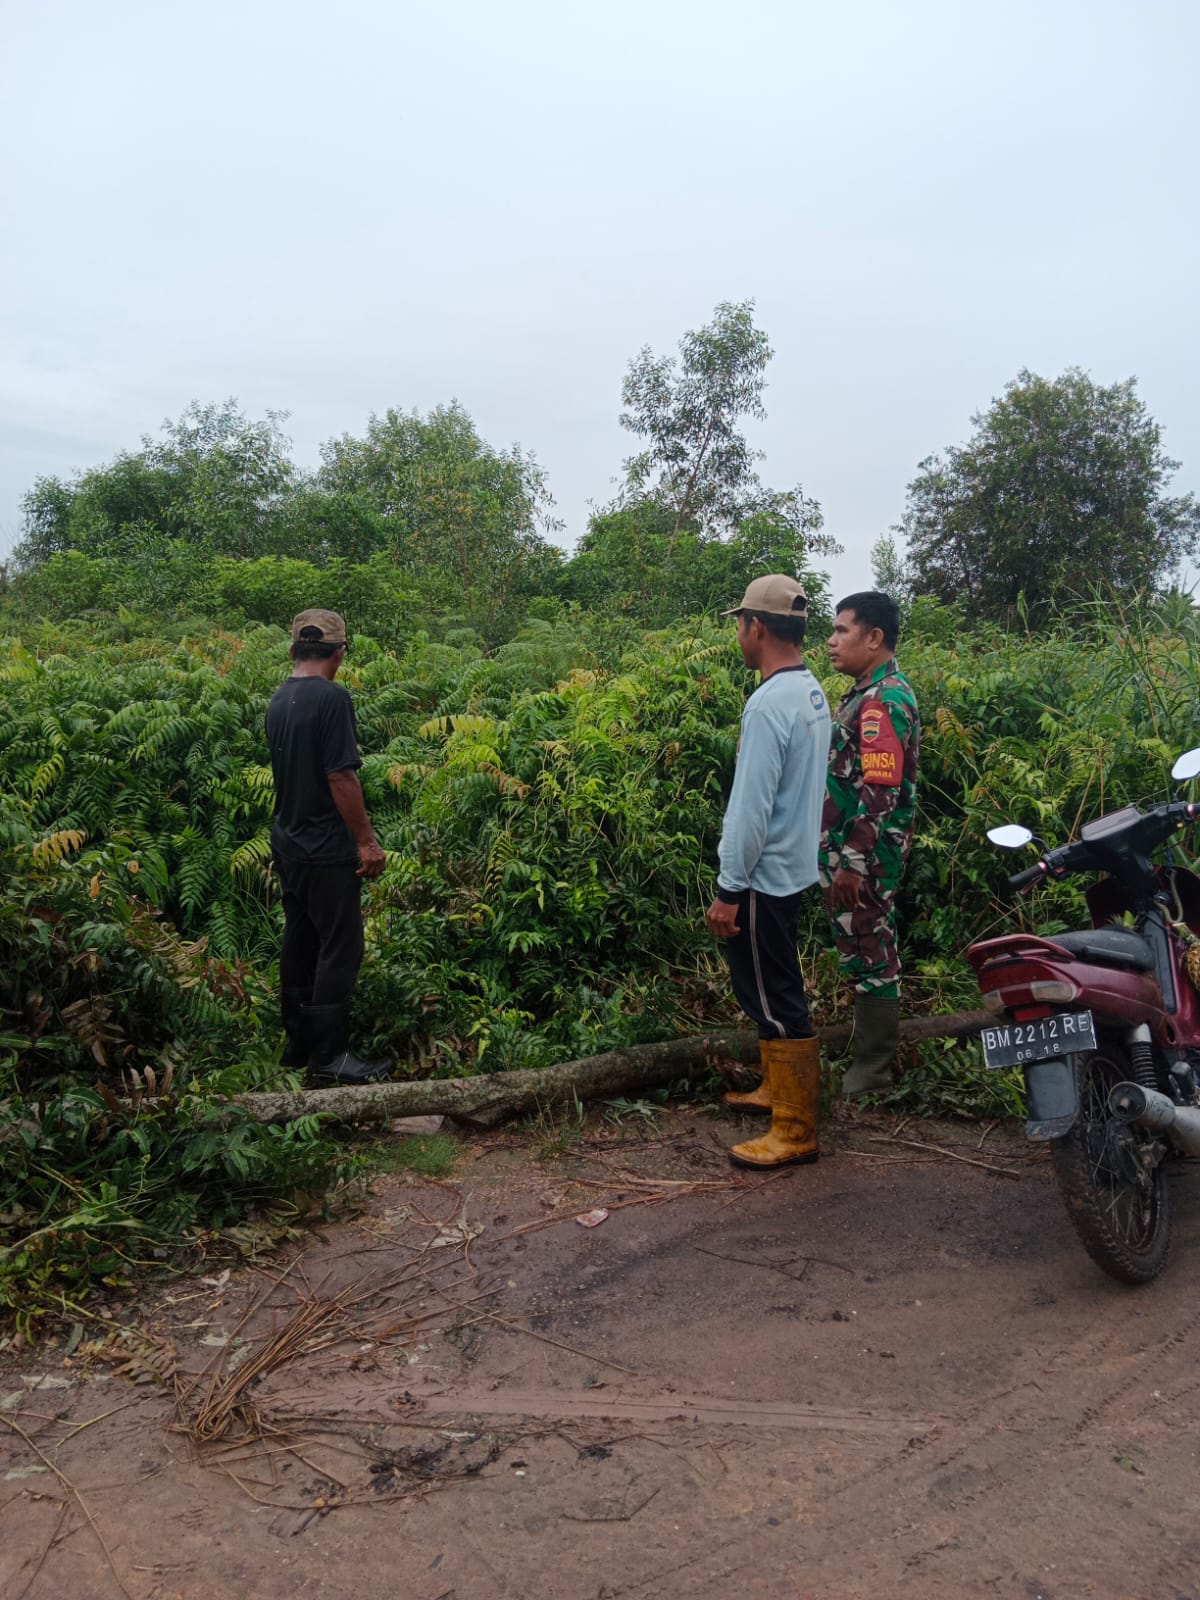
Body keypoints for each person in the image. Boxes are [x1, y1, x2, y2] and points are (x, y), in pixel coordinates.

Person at [705, 575, 832, 1169]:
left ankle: (796, 1129)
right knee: (770, 986)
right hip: (793, 867)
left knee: (775, 997)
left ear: (757, 627)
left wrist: (730, 888)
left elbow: (750, 810)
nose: (739, 633)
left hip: (762, 878)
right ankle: (777, 1090)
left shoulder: (766, 705)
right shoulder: (810, 691)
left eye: (740, 623)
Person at [265, 609, 391, 1086]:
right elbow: (340, 774)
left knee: (299, 939)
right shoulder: (333, 698)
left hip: (289, 842)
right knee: (341, 947)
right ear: (340, 652)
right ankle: (331, 1058)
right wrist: (366, 841)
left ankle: (298, 1046)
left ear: (294, 649)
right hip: (324, 847)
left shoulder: (280, 698)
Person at [819, 591, 920, 1098]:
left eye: (842, 631)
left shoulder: (884, 699)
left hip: (865, 856)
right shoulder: (865, 693)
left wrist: (853, 862)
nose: (831, 641)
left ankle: (873, 1069)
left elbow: (882, 788)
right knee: (861, 947)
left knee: (870, 947)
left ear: (874, 638)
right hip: (849, 852)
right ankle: (870, 1061)